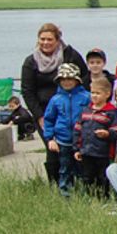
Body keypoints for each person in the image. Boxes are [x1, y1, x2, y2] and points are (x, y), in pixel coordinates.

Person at [21, 23, 90, 183]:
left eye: (50, 39)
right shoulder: (31, 62)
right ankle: (56, 184)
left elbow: (85, 78)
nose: (45, 43)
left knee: (76, 147)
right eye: (42, 39)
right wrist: (39, 116)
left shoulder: (70, 55)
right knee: (53, 149)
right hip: (45, 111)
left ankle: (80, 183)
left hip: (73, 107)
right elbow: (27, 91)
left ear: (58, 40)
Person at [43, 63, 91, 197]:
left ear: (77, 80)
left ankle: (83, 194)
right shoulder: (55, 99)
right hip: (62, 141)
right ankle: (65, 194)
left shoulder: (86, 97)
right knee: (64, 168)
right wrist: (50, 138)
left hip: (81, 141)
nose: (67, 82)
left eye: (70, 79)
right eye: (63, 80)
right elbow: (49, 120)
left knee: (82, 169)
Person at [73, 77, 117, 199]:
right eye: (92, 93)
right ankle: (89, 198)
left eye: (98, 93)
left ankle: (104, 198)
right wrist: (77, 149)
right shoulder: (85, 110)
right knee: (87, 177)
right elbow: (78, 130)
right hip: (86, 151)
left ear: (107, 94)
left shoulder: (111, 112)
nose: (94, 96)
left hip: (103, 153)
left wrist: (107, 134)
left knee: (103, 178)